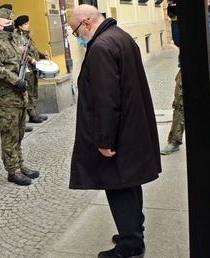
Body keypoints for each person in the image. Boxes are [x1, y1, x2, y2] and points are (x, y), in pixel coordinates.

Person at [68, 5, 161, 258]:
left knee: (119, 185)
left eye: (74, 29)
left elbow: (106, 98)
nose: (76, 35)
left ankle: (131, 245)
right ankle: (132, 231)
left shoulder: (100, 47)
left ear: (86, 23)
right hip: (130, 126)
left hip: (118, 133)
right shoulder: (120, 36)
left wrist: (103, 139)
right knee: (129, 182)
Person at [0, 7, 40, 186]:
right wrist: (15, 80)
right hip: (6, 98)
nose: (11, 26)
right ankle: (12, 171)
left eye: (11, 23)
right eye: (7, 23)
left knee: (19, 133)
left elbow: (24, 52)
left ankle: (20, 165)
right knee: (9, 135)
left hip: (20, 96)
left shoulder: (13, 41)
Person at [161, 0, 210, 155]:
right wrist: (176, 19)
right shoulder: (188, 14)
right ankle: (174, 141)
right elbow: (179, 40)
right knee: (180, 104)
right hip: (189, 67)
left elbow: (207, 31)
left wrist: (189, 20)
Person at [14, 15, 49, 124]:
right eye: (26, 24)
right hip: (27, 68)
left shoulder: (28, 37)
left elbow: (34, 50)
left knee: (34, 90)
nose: (28, 25)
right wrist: (32, 60)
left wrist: (43, 55)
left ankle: (35, 111)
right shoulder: (18, 38)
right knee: (28, 91)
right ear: (20, 26)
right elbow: (22, 53)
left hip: (34, 67)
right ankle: (32, 114)